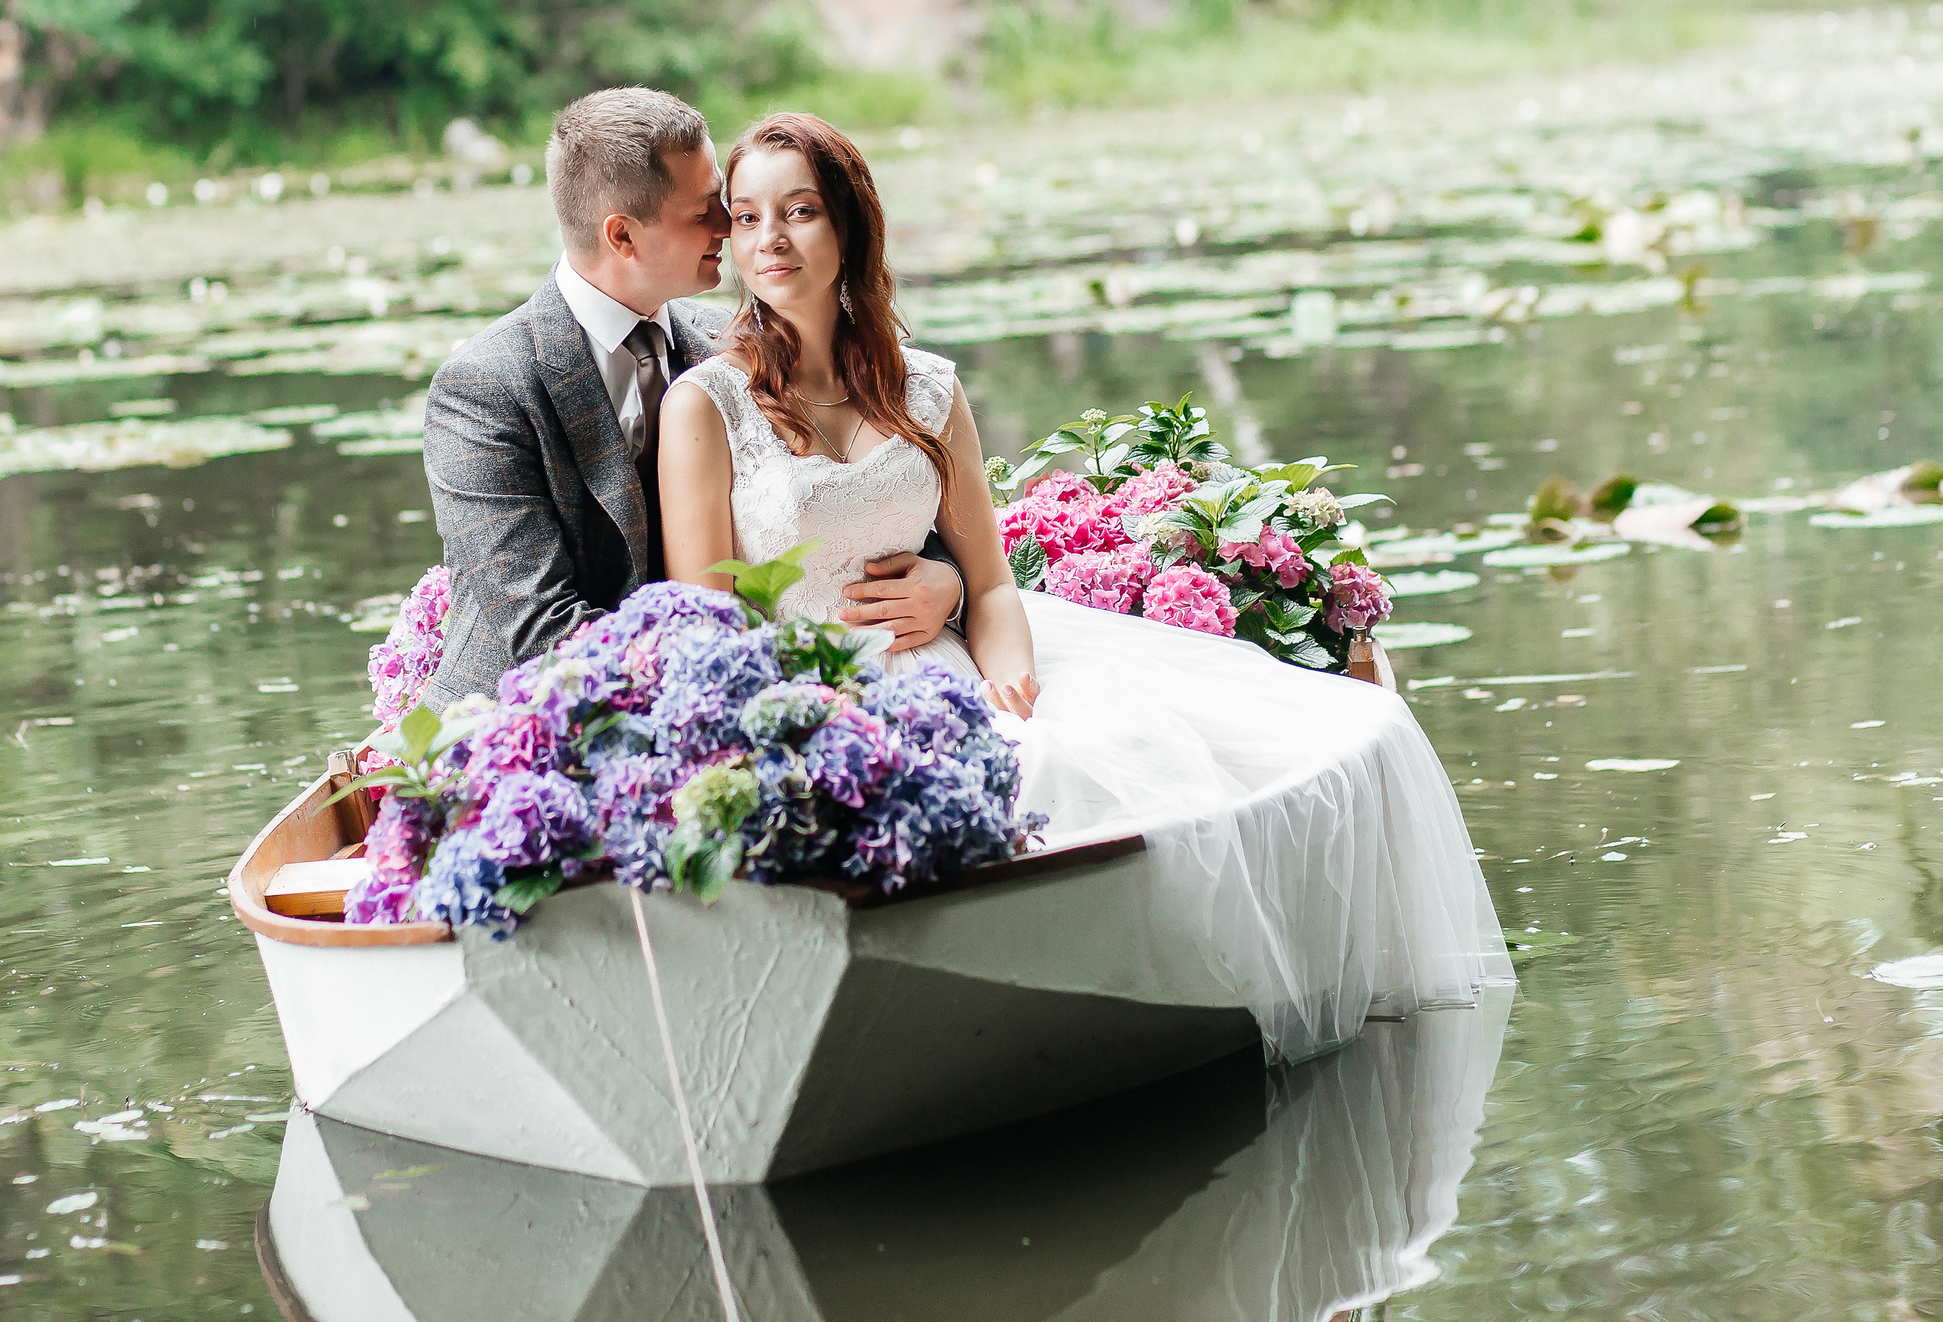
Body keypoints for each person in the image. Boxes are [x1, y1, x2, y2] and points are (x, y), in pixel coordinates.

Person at [655, 110, 1511, 1061]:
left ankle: (1131, 1017)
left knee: (1069, 753)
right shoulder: (706, 404)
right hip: (807, 688)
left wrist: (1007, 686)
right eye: (745, 216)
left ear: (850, 224)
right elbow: (707, 624)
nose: (770, 239)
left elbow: (987, 585)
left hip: (946, 668)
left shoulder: (929, 388)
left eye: (801, 210)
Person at [420, 87, 967, 709]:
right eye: (707, 210)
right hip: (538, 725)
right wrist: (745, 680)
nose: (729, 226)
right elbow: (532, 632)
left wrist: (946, 581)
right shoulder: (487, 388)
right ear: (622, 237)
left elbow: (883, 501)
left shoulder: (726, 360)